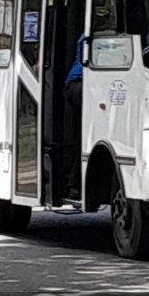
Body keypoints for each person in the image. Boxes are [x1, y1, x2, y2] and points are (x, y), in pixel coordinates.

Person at [64, 33, 84, 199]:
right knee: (84, 139)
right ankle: (74, 183)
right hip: (78, 84)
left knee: (82, 138)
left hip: (86, 84)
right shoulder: (89, 35)